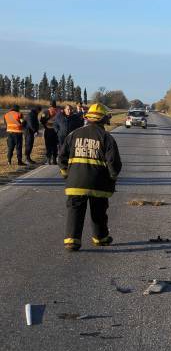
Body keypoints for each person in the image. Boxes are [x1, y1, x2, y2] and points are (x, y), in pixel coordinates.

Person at [58, 103, 122, 251]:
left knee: (75, 210)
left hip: (75, 183)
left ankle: (71, 241)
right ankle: (100, 238)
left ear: (88, 118)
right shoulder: (106, 137)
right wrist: (113, 177)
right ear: (104, 119)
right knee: (98, 211)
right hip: (98, 183)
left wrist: (67, 175)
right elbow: (114, 163)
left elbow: (61, 157)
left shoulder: (73, 134)